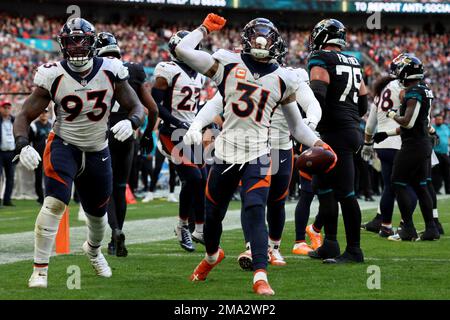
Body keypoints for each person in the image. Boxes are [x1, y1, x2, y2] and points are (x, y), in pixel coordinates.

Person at [177, 14, 332, 295]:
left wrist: (318, 143)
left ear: (276, 45)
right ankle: (212, 256)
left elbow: (297, 126)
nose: (262, 42)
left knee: (254, 210)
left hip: (259, 154)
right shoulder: (227, 62)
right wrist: (202, 29)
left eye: (267, 38)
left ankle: (260, 274)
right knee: (213, 217)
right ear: (247, 41)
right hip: (225, 152)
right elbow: (183, 51)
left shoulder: (284, 78)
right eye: (257, 37)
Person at [13, 18, 145, 288]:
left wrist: (131, 122)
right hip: (64, 145)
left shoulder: (110, 70)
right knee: (54, 203)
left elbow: (137, 107)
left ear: (92, 43)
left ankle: (94, 252)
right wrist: (22, 143)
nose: (75, 47)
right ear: (62, 45)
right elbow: (24, 115)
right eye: (70, 42)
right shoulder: (53, 74)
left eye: (81, 40)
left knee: (98, 218)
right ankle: (40, 269)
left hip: (98, 149)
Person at [307, 19, 369, 264]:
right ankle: (330, 244)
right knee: (323, 189)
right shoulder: (354, 61)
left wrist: (307, 125)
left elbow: (319, 95)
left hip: (334, 133)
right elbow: (363, 103)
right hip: (349, 129)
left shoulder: (320, 58)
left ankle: (354, 250)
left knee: (345, 193)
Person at [96, 31, 158, 257]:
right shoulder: (133, 70)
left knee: (106, 190)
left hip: (101, 135)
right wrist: (148, 134)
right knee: (121, 188)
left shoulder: (94, 69)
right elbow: (153, 109)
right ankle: (118, 233)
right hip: (127, 134)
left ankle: (114, 231)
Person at [152, 30, 208, 252]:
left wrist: (203, 122)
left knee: (201, 179)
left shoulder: (200, 73)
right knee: (193, 177)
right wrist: (178, 122)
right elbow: (156, 106)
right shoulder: (167, 69)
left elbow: (195, 107)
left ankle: (200, 230)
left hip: (192, 133)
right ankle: (183, 226)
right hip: (171, 133)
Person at [376, 54, 440, 241]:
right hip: (422, 144)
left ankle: (408, 229)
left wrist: (391, 114)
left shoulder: (413, 93)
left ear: (406, 72)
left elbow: (408, 123)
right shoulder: (424, 90)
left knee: (397, 182)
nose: (396, 74)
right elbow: (417, 124)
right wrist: (386, 134)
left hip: (413, 147)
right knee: (421, 186)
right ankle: (431, 229)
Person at [361, 55, 405, 237]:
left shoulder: (381, 91)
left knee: (389, 187)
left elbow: (370, 125)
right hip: (398, 142)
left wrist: (367, 144)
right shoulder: (403, 88)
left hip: (381, 144)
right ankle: (405, 225)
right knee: (405, 186)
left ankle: (385, 226)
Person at [29, 109, 52, 204]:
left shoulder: (52, 125)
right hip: (38, 155)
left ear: (48, 114)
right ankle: (40, 197)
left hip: (50, 154)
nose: (44, 114)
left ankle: (50, 196)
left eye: (45, 112)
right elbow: (30, 140)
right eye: (42, 112)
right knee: (38, 177)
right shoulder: (34, 125)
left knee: (50, 176)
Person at [0, 100, 16, 207]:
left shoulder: (14, 120)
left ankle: (7, 200)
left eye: (8, 108)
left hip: (11, 152)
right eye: (4, 107)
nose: (6, 110)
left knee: (10, 177)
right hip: (0, 152)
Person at [431, 114, 450, 194]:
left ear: (442, 120)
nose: (439, 120)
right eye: (437, 119)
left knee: (448, 173)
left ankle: (448, 190)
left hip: (445, 153)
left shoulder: (446, 128)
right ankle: (436, 190)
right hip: (436, 153)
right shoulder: (432, 128)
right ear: (435, 120)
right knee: (436, 174)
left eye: (440, 119)